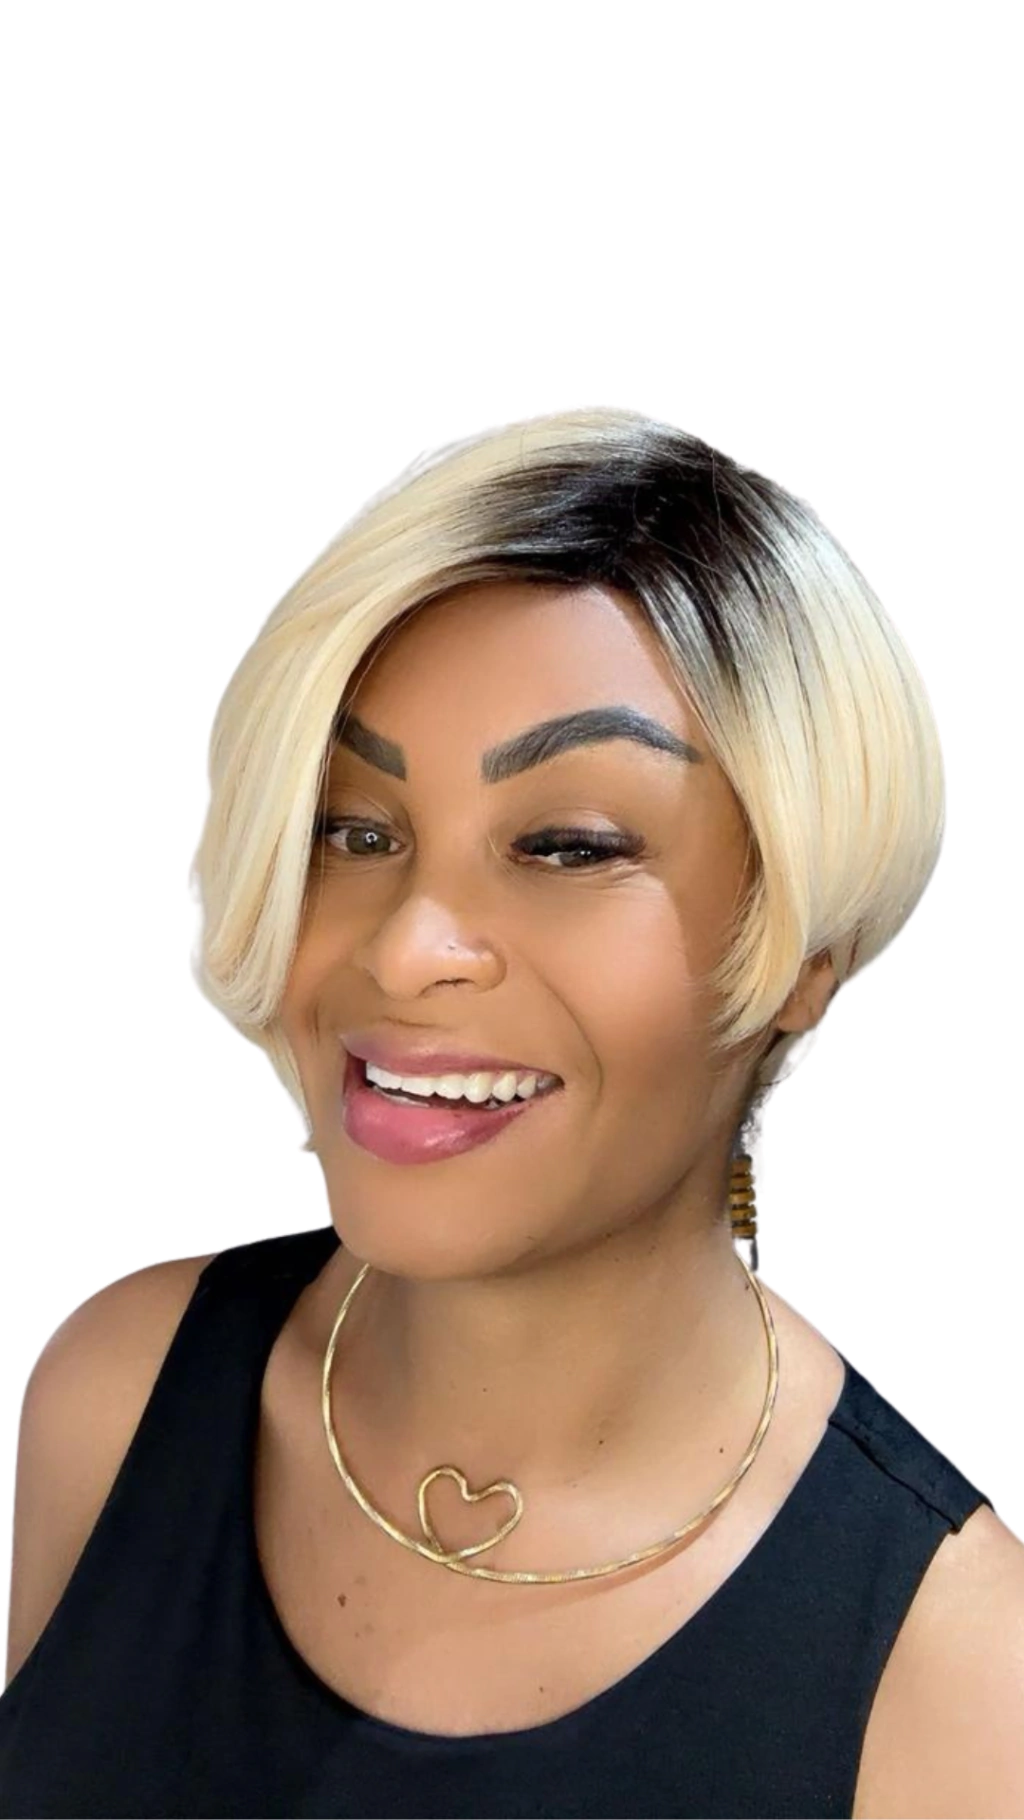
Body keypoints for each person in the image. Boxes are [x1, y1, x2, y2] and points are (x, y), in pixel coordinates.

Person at [2, 406, 1022, 1819]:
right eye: (357, 830)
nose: (406, 946)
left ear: (800, 954)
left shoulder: (956, 1686)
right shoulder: (119, 1400)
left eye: (566, 845)